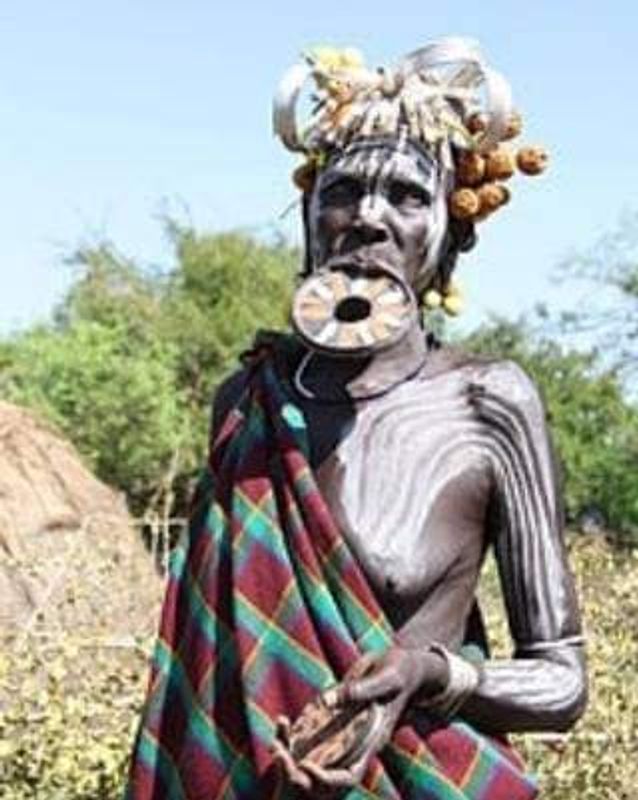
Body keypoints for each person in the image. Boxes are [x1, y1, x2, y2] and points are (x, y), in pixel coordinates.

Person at [126, 38, 586, 800]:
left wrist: (427, 674)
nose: (367, 218)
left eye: (407, 196)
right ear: (309, 215)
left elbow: (562, 682)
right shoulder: (246, 406)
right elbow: (203, 677)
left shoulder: (488, 404)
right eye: (340, 192)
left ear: (451, 235)